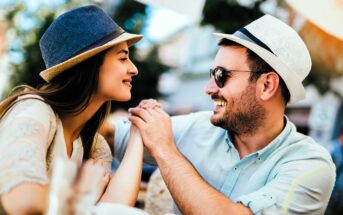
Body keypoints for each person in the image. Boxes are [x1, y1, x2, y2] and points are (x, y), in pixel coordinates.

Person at [114, 15, 336, 214]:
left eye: (221, 75)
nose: (209, 88)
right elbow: (113, 136)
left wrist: (166, 150)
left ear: (267, 85)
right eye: (212, 73)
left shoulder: (311, 166)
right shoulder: (199, 126)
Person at [0, 5, 144, 214]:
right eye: (123, 57)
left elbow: (114, 209)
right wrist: (79, 195)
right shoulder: (33, 110)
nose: (134, 69)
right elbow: (23, 202)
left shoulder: (94, 144)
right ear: (90, 65)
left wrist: (138, 134)